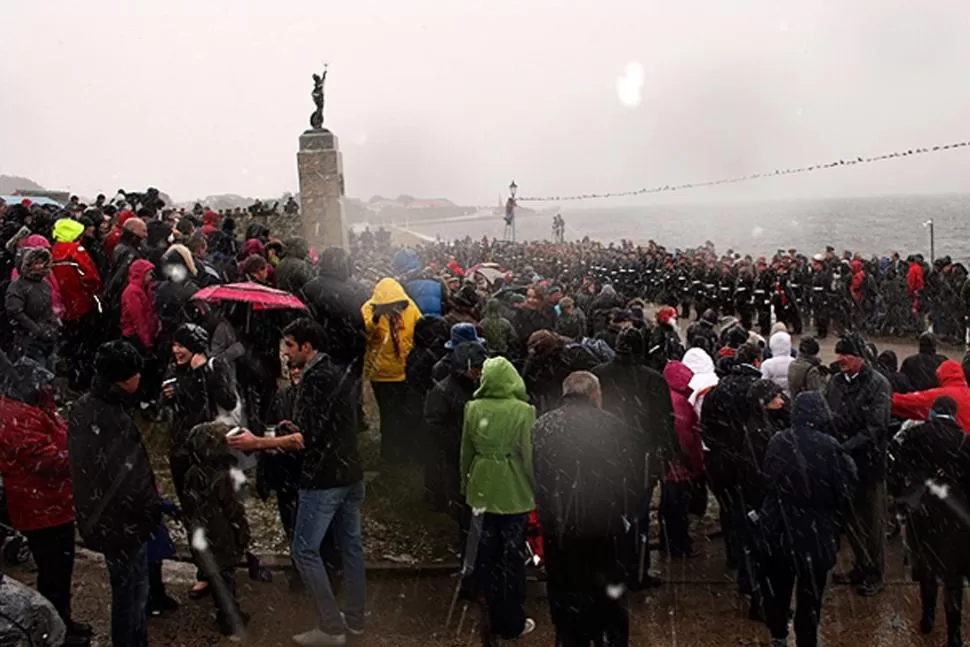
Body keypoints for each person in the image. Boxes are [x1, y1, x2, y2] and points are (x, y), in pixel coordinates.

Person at [278, 317, 366, 647]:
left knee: (304, 550)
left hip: (323, 477)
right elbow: (350, 422)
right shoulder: (340, 371)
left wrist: (262, 441)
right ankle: (355, 620)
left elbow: (305, 437)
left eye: (289, 346)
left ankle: (331, 628)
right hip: (350, 472)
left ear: (306, 347)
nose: (286, 354)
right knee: (351, 548)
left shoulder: (314, 379)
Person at [533, 371, 635, 646]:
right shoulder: (613, 425)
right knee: (608, 598)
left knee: (566, 594)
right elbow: (627, 476)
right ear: (594, 394)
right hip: (603, 525)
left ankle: (571, 637)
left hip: (560, 527)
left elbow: (537, 475)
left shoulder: (543, 426)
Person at [69, 341, 160, 647]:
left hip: (101, 518)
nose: (140, 379)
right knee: (132, 597)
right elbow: (128, 480)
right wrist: (151, 509)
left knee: (128, 592)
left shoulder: (84, 406)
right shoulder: (114, 419)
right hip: (123, 526)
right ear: (123, 379)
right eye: (136, 374)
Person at [0, 356, 92, 646]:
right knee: (53, 572)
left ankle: (63, 618)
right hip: (41, 508)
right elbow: (43, 459)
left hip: (54, 503)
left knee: (61, 570)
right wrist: (78, 456)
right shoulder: (16, 418)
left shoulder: (32, 408)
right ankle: (55, 630)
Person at [759, 392, 858, 647]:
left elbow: (767, 479)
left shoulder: (778, 440)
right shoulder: (830, 446)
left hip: (781, 528)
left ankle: (778, 635)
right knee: (810, 595)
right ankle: (807, 639)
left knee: (779, 588)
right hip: (815, 530)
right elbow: (845, 488)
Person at [593, 328, 677, 588]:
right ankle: (635, 572)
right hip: (641, 457)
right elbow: (664, 420)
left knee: (608, 512)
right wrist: (671, 453)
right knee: (637, 516)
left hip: (605, 454)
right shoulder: (651, 379)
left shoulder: (599, 374)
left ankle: (611, 567)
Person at [461, 356, 536, 641]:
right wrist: (534, 485)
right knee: (513, 557)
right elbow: (529, 456)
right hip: (512, 487)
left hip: (481, 484)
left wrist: (464, 483)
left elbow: (465, 452)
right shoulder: (523, 411)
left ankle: (490, 609)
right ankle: (512, 617)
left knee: (486, 553)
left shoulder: (472, 408)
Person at [889, 396, 970, 647]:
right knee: (953, 575)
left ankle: (927, 617)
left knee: (925, 566)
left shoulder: (915, 434)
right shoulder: (966, 440)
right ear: (954, 415)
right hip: (955, 512)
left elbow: (897, 472)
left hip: (922, 508)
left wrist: (902, 498)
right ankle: (954, 634)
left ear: (933, 412)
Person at [825, 335, 892, 596]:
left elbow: (876, 427)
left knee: (873, 523)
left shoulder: (878, 384)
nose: (840, 359)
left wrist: (847, 445)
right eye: (839, 353)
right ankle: (860, 566)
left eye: (846, 354)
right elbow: (830, 412)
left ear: (860, 357)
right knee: (851, 521)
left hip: (870, 464)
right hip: (844, 465)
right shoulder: (836, 382)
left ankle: (875, 574)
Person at [181, 421, 252, 637]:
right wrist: (242, 532)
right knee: (226, 578)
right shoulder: (224, 476)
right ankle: (229, 619)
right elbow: (233, 510)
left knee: (216, 575)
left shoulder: (192, 473)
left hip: (201, 535)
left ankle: (224, 610)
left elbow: (189, 505)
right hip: (223, 537)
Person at [424, 341, 486, 546]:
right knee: (463, 505)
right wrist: (457, 443)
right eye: (475, 368)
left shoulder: (480, 387)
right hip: (456, 458)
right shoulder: (444, 391)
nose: (478, 373)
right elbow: (434, 426)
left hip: (478, 457)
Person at [363, 278, 420, 463]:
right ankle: (390, 453)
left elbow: (420, 329)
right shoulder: (369, 310)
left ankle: (405, 449)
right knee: (388, 416)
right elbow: (364, 335)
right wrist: (375, 318)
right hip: (381, 375)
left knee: (404, 413)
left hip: (405, 371)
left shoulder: (410, 308)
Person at [51, 218, 103, 391]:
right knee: (83, 345)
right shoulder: (75, 251)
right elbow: (91, 277)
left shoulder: (52, 251)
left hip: (60, 306)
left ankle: (63, 377)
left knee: (67, 342)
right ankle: (79, 380)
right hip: (80, 304)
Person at [661, 360, 703, 557]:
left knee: (668, 505)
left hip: (667, 463)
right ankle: (679, 546)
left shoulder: (666, 397)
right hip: (679, 466)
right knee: (678, 508)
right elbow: (687, 437)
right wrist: (695, 462)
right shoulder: (680, 403)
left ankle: (667, 542)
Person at [5, 246, 58, 370]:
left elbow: (48, 308)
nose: (39, 266)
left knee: (49, 368)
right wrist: (36, 330)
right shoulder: (18, 286)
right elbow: (15, 311)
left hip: (47, 334)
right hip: (27, 339)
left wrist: (54, 323)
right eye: (36, 263)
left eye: (42, 263)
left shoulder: (44, 284)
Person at [890, 359, 970, 431]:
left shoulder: (938, 395)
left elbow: (907, 402)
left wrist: (886, 396)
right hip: (963, 442)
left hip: (947, 442)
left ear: (941, 376)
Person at [760, 330, 793, 395]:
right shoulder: (794, 362)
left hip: (773, 399)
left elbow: (763, 384)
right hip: (792, 398)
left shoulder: (767, 364)